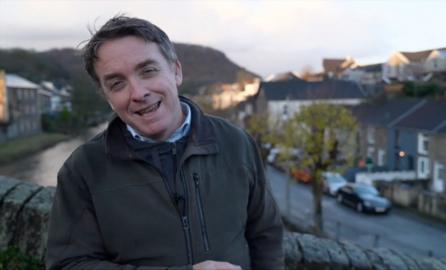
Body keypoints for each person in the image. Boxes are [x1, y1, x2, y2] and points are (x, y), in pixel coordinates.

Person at [46, 16, 284, 270]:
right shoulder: (83, 169)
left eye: (148, 71)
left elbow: (266, 237)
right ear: (107, 97)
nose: (138, 93)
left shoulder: (236, 143)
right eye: (117, 83)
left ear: (176, 71)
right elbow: (68, 265)